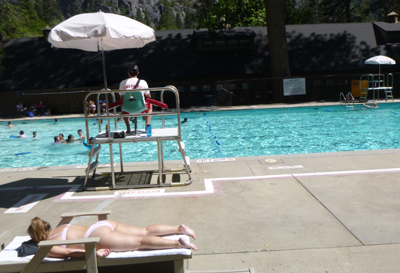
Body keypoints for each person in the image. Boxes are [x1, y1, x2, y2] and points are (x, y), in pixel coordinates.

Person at [27, 217, 197, 258]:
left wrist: (95, 253)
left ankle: (177, 243)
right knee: (143, 231)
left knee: (139, 243)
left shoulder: (47, 245)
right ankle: (179, 228)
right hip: (101, 224)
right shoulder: (61, 226)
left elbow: (70, 252)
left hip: (97, 237)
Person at [118, 64, 152, 134]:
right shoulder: (143, 82)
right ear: (138, 73)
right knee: (150, 105)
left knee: (123, 104)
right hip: (141, 108)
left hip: (127, 109)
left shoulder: (123, 83)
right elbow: (148, 96)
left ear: (128, 73)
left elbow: (121, 97)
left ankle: (128, 128)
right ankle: (147, 126)